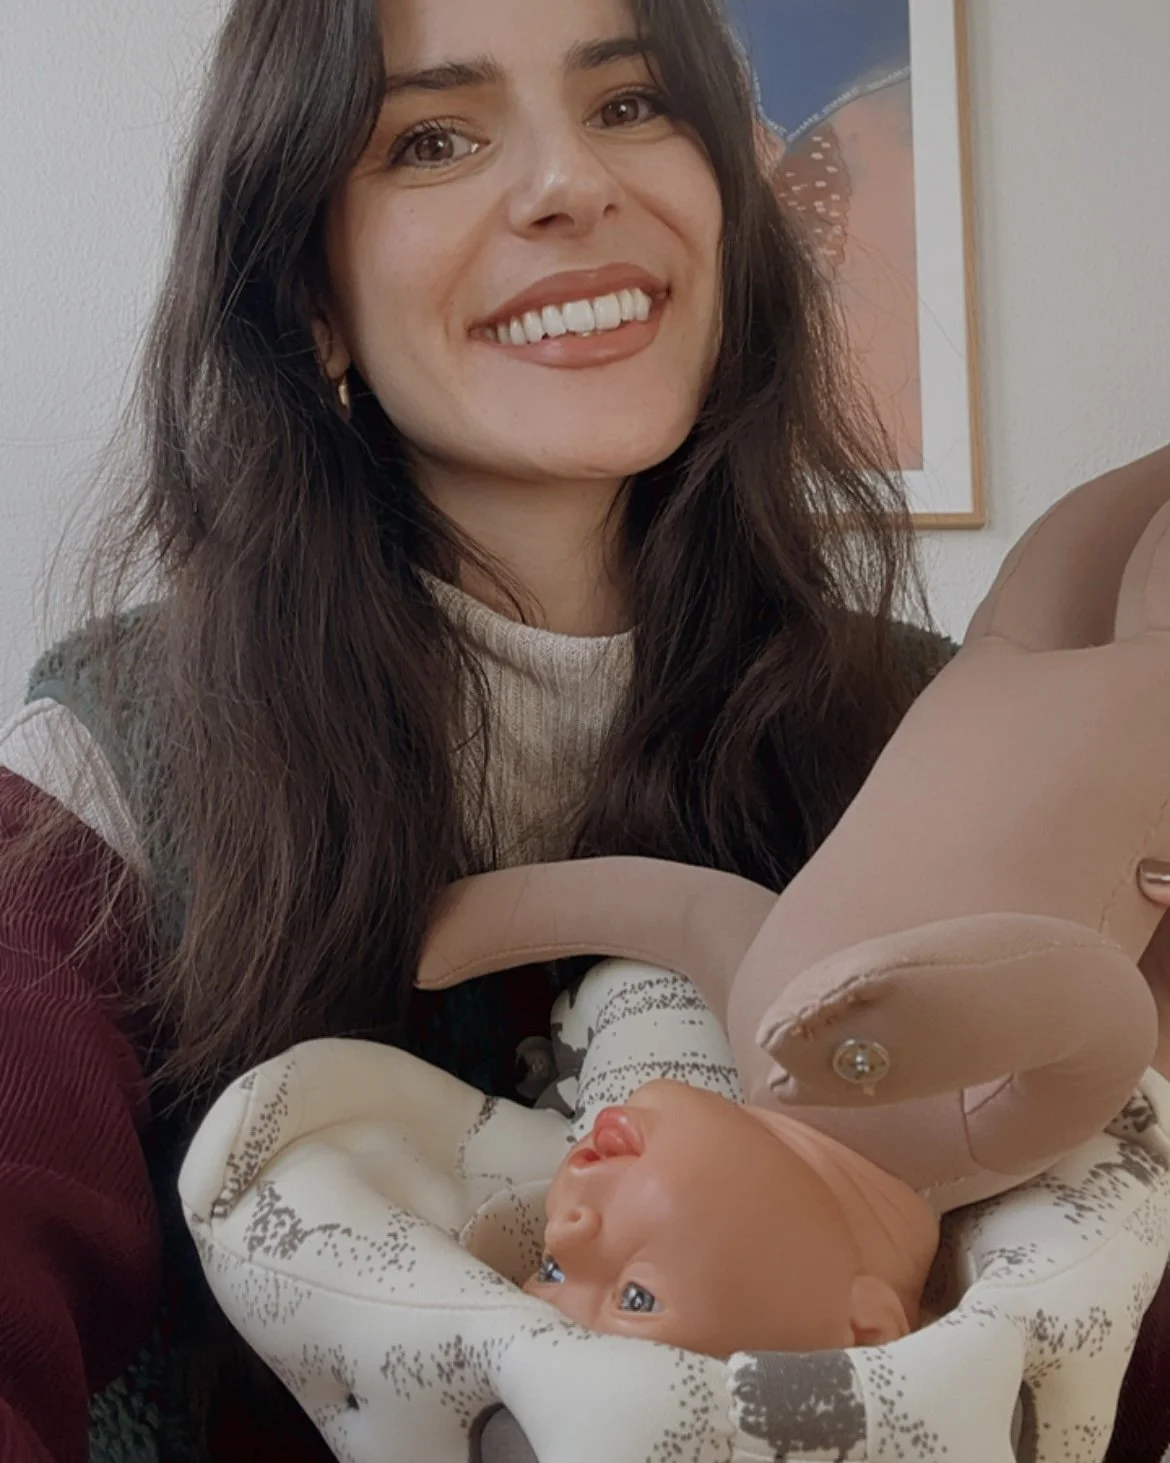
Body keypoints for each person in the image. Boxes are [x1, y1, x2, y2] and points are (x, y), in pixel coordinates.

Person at [0, 1, 1164, 1462]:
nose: (571, 183)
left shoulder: (937, 727)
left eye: (629, 106)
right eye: (434, 138)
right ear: (313, 298)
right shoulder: (103, 772)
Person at [524, 1078, 940, 1357]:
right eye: (637, 1298)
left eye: (551, 1269)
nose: (566, 1229)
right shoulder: (946, 1112)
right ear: (864, 1338)